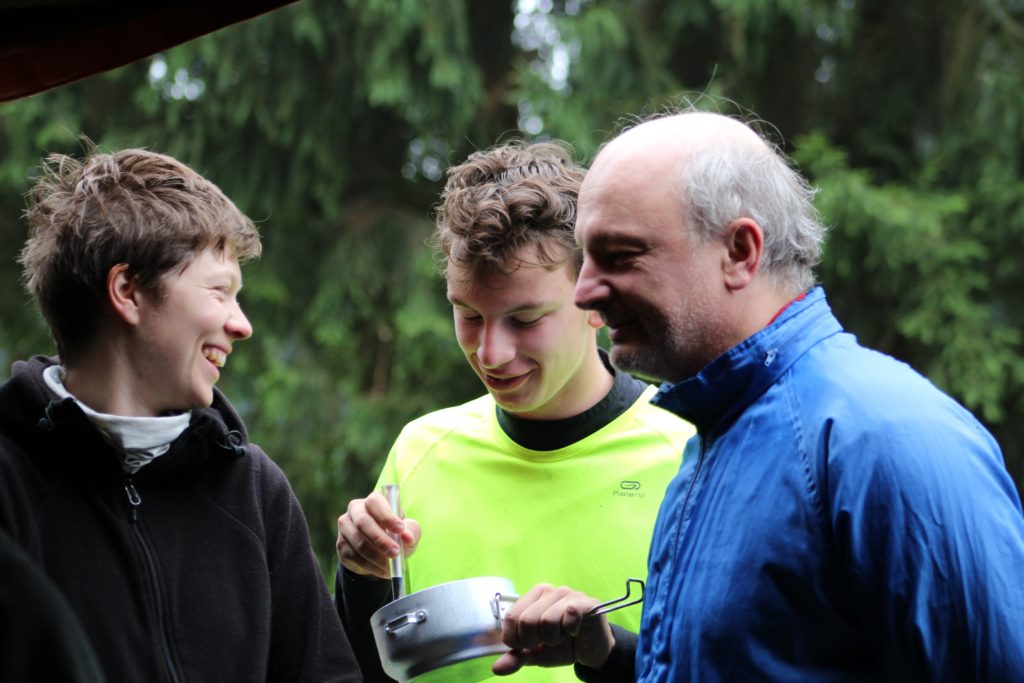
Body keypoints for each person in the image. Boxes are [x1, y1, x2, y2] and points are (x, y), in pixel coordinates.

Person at [497, 111, 1024, 681]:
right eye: (585, 258)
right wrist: (613, 656)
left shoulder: (884, 438)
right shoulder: (716, 432)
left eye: (620, 255)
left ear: (740, 252)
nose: (583, 293)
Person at [334, 141, 694, 683]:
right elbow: (366, 669)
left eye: (525, 320)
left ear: (598, 301)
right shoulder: (420, 450)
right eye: (468, 315)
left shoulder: (688, 455)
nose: (490, 354)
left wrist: (609, 653)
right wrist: (361, 576)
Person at [0, 148, 360, 682]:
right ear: (128, 292)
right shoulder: (9, 485)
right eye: (220, 292)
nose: (242, 326)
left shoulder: (255, 491)